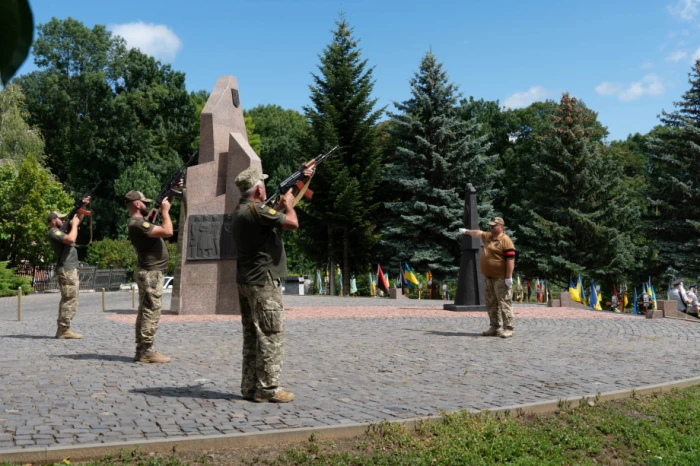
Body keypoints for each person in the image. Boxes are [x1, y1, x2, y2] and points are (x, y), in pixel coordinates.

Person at [232, 165, 313, 403]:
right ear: (258, 191)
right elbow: (291, 223)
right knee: (270, 333)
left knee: (252, 336)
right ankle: (268, 389)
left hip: (246, 280)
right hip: (264, 280)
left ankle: (250, 387)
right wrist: (288, 204)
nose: (265, 188)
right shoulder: (258, 210)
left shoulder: (241, 210)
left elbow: (266, 216)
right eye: (262, 185)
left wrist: (299, 183)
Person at [125, 190, 173, 363]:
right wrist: (166, 211)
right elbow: (167, 231)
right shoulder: (137, 224)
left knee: (145, 310)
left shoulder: (140, 222)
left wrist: (169, 196)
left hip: (149, 271)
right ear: (138, 204)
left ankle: (141, 349)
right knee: (151, 311)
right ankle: (147, 351)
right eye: (144, 202)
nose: (147, 205)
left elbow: (153, 217)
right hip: (151, 273)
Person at [462, 217, 516, 338]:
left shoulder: (506, 240)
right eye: (490, 225)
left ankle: (508, 328)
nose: (491, 227)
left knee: (504, 302)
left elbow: (510, 259)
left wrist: (508, 277)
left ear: (501, 227)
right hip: (489, 277)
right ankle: (495, 327)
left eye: (494, 225)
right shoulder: (488, 237)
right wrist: (466, 231)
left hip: (501, 278)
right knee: (491, 302)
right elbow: (478, 233)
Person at [46, 197, 90, 339]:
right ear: (53, 221)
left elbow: (78, 219)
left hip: (70, 269)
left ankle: (65, 328)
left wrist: (82, 206)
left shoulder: (62, 231)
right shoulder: (53, 232)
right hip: (66, 269)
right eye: (60, 219)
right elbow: (71, 239)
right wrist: (75, 226)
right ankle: (63, 330)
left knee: (71, 299)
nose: (63, 221)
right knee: (69, 299)